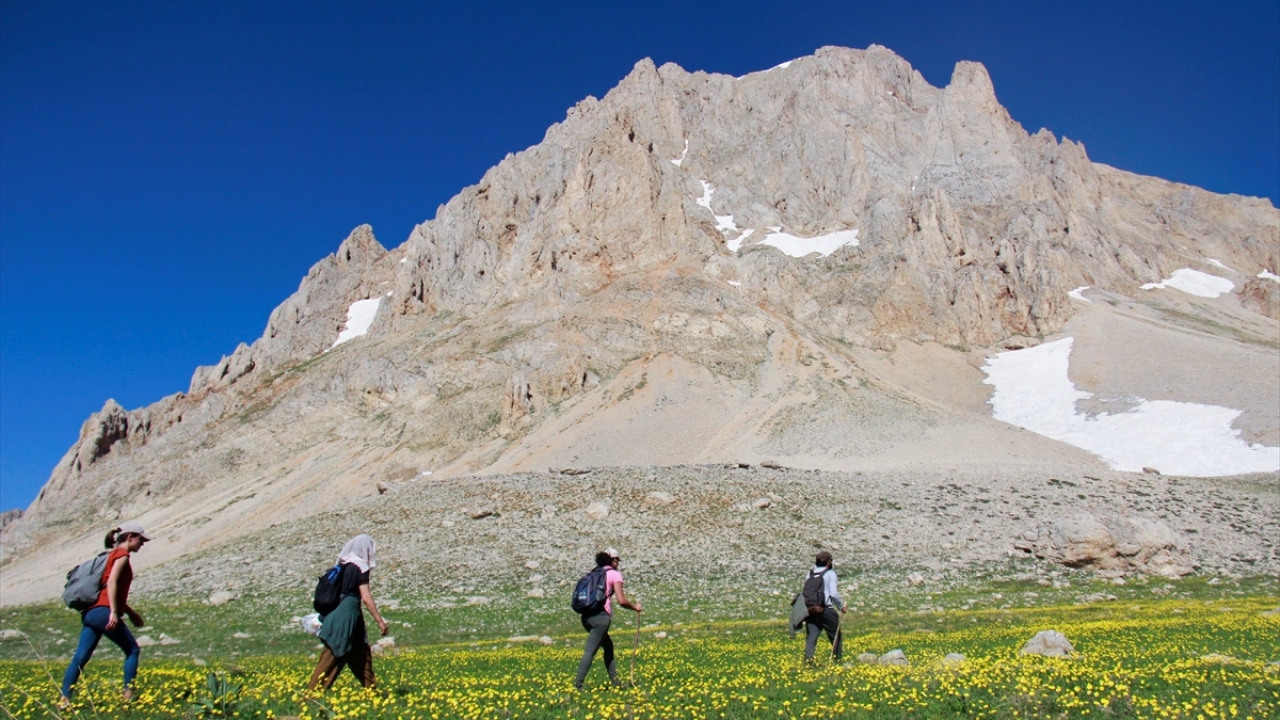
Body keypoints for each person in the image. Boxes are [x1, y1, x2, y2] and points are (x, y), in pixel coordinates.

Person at [59, 522, 150, 708]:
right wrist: (114, 613)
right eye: (141, 539)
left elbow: (108, 588)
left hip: (91, 612)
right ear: (130, 537)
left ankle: (64, 700)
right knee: (132, 650)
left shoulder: (110, 555)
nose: (142, 543)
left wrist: (131, 613)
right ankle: (129, 695)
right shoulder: (122, 555)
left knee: (80, 657)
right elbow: (112, 583)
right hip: (104, 611)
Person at [307, 534, 389, 691]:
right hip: (346, 617)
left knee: (361, 654)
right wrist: (380, 621)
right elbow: (366, 597)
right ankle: (311, 695)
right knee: (334, 653)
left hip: (346, 615)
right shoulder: (360, 567)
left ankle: (372, 694)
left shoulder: (343, 566)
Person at [574, 548, 641, 690]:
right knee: (590, 650)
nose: (618, 563)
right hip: (601, 618)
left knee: (608, 647)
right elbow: (621, 601)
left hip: (586, 617)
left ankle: (616, 683)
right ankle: (578, 685)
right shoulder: (614, 574)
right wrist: (635, 607)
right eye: (617, 560)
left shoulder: (594, 573)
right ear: (612, 560)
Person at [802, 550, 847, 663]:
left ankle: (808, 660)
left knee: (811, 637)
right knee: (835, 636)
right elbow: (834, 594)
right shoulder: (830, 573)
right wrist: (841, 607)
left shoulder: (810, 574)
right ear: (828, 562)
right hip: (826, 609)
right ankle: (837, 660)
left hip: (811, 610)